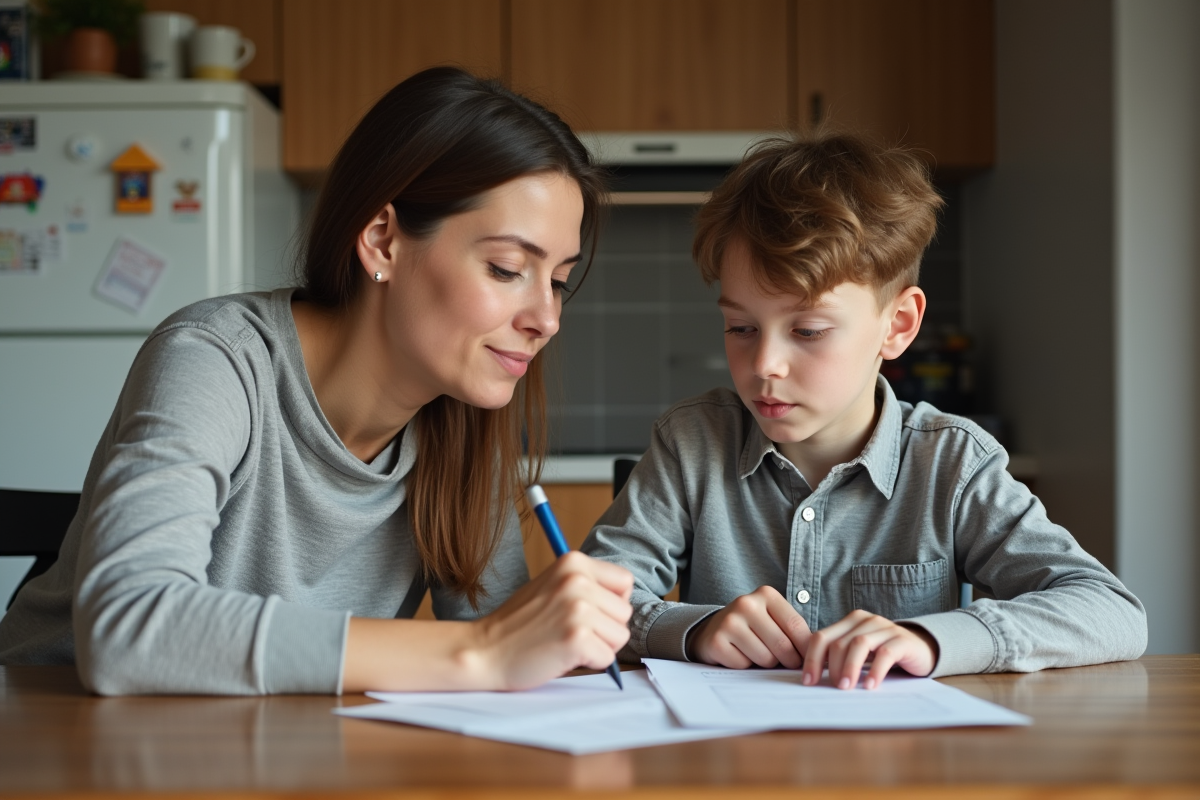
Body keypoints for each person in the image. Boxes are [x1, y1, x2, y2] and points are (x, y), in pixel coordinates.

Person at [0, 67, 634, 695]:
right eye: (506, 268)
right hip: (59, 743)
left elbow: (501, 644)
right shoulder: (217, 360)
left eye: (557, 282)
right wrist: (489, 648)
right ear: (383, 240)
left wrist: (553, 635)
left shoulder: (462, 411)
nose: (546, 319)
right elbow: (128, 627)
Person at [581, 131, 1147, 690]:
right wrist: (695, 628)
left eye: (808, 330)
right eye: (741, 327)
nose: (765, 364)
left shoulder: (951, 462)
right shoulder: (693, 442)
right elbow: (590, 606)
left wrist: (933, 640)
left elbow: (1110, 611)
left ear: (897, 325)